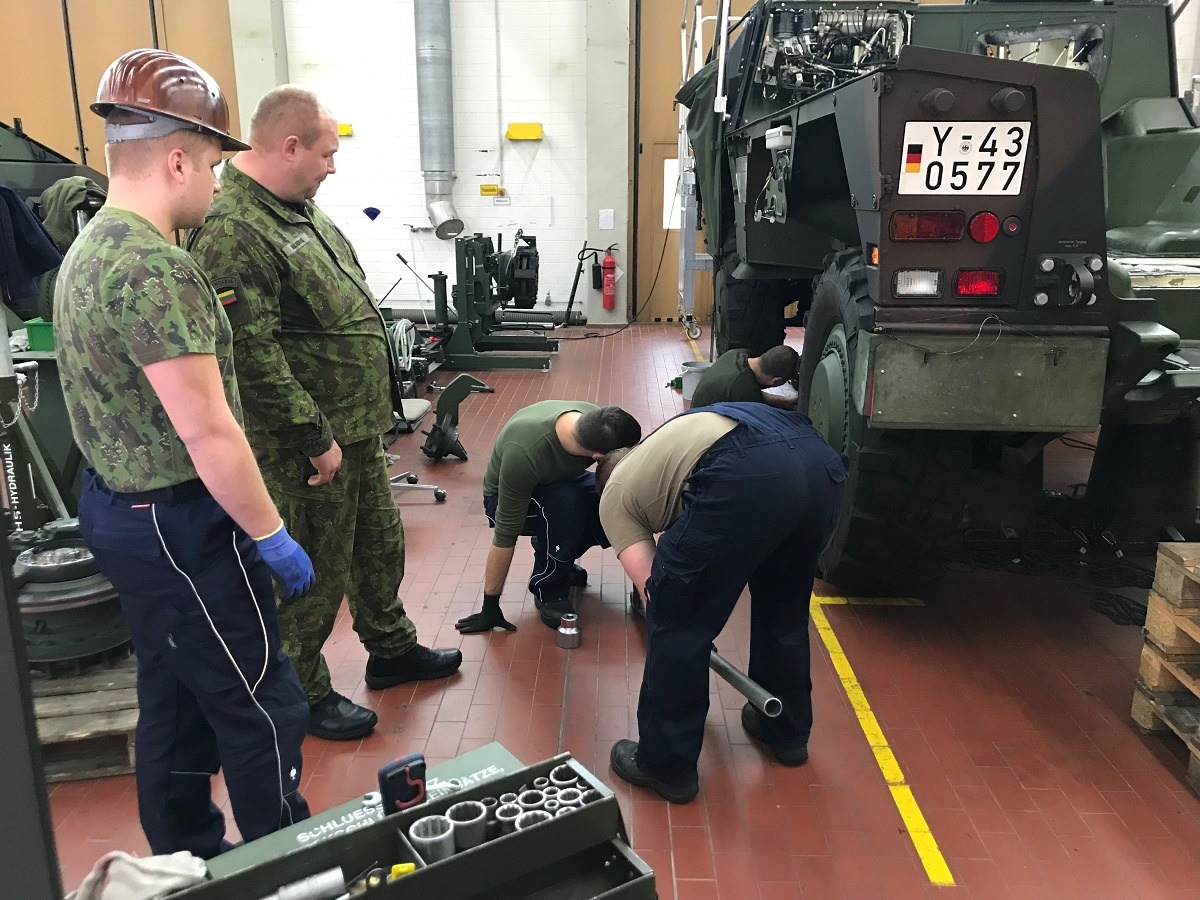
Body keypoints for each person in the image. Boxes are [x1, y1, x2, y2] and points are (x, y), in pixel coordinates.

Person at [56, 49, 313, 857]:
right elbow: (208, 431)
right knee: (260, 700)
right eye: (211, 162)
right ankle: (288, 861)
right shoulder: (154, 268)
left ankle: (184, 857)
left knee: (172, 695)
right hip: (181, 524)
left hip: (117, 509)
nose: (215, 181)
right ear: (176, 158)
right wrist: (269, 532)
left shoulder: (89, 249)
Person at [188, 86, 461, 742]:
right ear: (288, 148)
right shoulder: (233, 230)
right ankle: (302, 691)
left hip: (356, 426)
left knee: (377, 544)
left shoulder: (300, 213)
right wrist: (313, 436)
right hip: (304, 445)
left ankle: (391, 649)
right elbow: (250, 357)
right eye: (326, 153)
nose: (333, 167)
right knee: (314, 570)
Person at [596, 402, 846, 803]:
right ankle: (786, 733)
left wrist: (689, 625)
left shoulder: (615, 494)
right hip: (819, 463)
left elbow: (654, 593)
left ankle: (666, 766)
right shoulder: (672, 443)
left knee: (676, 622)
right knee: (784, 610)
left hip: (745, 471)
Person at [455, 401, 642, 634]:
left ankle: (555, 555)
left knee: (611, 504)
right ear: (597, 456)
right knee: (568, 505)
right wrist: (490, 606)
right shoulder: (524, 453)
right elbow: (504, 535)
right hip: (504, 497)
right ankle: (549, 590)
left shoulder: (598, 424)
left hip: (557, 482)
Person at [689, 344, 799, 409]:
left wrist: (786, 401)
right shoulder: (744, 388)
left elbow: (755, 395)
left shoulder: (738, 353)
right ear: (777, 381)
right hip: (704, 429)